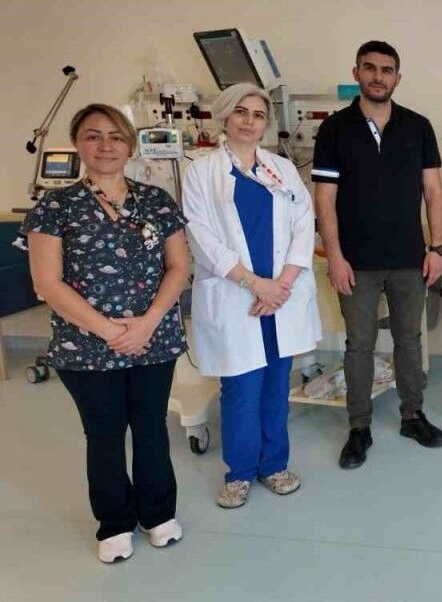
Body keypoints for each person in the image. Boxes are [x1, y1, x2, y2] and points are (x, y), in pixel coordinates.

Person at [21, 104, 189, 563]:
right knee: (105, 434)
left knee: (151, 428)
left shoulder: (155, 200)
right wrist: (110, 331)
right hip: (86, 346)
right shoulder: (55, 207)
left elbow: (179, 266)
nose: (105, 145)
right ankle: (114, 523)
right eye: (93, 136)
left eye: (116, 136)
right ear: (78, 144)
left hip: (153, 339)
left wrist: (149, 321)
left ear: (130, 146)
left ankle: (158, 514)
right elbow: (47, 283)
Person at [183, 83, 322, 509]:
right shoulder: (202, 171)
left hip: (280, 296)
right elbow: (200, 235)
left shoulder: (281, 168)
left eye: (258, 114)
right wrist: (255, 284)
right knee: (241, 388)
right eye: (241, 112)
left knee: (276, 386)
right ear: (225, 116)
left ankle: (274, 465)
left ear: (266, 123)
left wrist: (281, 285)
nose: (249, 120)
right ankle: (240, 472)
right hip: (236, 294)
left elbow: (304, 224)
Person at [313, 40, 442, 470]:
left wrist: (437, 248)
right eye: (369, 68)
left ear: (397, 78)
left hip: (409, 258)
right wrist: (335, 257)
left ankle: (413, 416)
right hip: (356, 262)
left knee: (409, 340)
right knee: (359, 345)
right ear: (356, 73)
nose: (378, 76)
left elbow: (433, 191)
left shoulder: (418, 126)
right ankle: (359, 427)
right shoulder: (335, 129)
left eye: (386, 70)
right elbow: (324, 199)